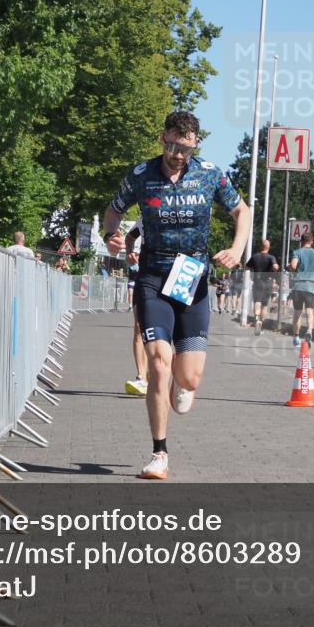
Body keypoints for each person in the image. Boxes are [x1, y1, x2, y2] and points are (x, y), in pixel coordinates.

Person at [103, 110, 250, 480]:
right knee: (157, 364)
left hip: (192, 278)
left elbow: (241, 211)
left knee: (189, 379)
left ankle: (181, 386)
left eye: (184, 149)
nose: (176, 155)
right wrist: (112, 237)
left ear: (194, 144)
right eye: (171, 145)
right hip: (153, 275)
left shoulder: (211, 173)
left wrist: (236, 248)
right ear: (162, 138)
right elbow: (113, 212)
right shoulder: (141, 175)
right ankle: (159, 454)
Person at [288, 232, 314, 346]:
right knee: (310, 311)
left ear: (301, 241)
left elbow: (293, 266)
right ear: (311, 241)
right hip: (311, 286)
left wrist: (290, 267)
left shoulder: (297, 252)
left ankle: (296, 338)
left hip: (299, 285)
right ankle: (309, 331)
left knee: (297, 313)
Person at [123, 221, 147, 396]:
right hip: (144, 279)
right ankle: (141, 377)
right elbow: (130, 237)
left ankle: (164, 374)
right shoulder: (144, 217)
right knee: (139, 328)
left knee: (167, 331)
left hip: (171, 278)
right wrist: (130, 252)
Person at [246, 239, 279, 334]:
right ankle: (261, 323)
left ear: (261, 246)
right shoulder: (271, 257)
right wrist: (274, 267)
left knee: (257, 301)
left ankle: (256, 319)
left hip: (257, 281)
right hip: (268, 282)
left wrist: (253, 269)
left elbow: (246, 266)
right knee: (264, 305)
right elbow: (276, 267)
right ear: (269, 247)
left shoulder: (255, 257)